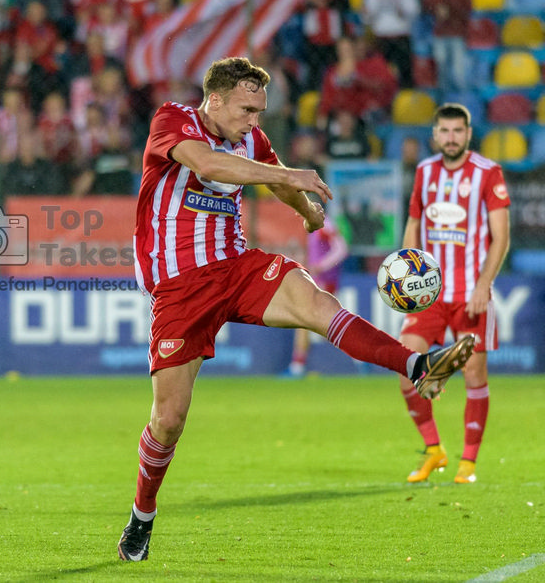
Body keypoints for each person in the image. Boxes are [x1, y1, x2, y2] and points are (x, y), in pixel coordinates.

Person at [118, 57, 475, 562]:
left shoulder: (251, 140)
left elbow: (279, 182)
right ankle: (142, 515)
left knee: (317, 303)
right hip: (179, 288)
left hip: (237, 267)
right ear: (214, 100)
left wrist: (307, 211)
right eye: (246, 110)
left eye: (260, 112)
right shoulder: (173, 119)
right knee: (169, 419)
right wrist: (293, 175)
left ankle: (417, 366)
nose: (254, 121)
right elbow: (210, 165)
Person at [395, 103, 510, 485]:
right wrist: (407, 272)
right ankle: (434, 449)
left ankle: (469, 462)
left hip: (470, 293)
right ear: (434, 135)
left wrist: (484, 284)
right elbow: (414, 223)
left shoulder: (487, 172)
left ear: (468, 134)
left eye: (457, 131)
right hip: (429, 293)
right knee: (406, 369)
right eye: (444, 131)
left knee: (474, 373)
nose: (451, 138)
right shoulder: (425, 171)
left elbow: (500, 236)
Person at [283, 213, 349, 377]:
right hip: (318, 280)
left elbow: (341, 249)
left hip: (324, 281)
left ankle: (297, 366)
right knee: (321, 324)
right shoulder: (313, 224)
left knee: (305, 320)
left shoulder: (324, 224)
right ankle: (364, 358)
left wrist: (320, 266)